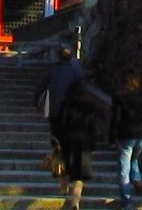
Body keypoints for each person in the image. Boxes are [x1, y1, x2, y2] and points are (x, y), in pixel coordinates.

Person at [109, 72, 142, 209]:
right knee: (134, 159)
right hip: (141, 135)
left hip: (125, 134)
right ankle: (137, 179)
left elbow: (114, 118)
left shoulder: (118, 96)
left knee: (124, 169)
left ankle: (127, 201)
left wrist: (111, 138)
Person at [56, 77, 99, 210]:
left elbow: (60, 125)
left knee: (65, 168)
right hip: (84, 143)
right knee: (79, 176)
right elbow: (92, 128)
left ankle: (64, 190)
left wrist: (57, 142)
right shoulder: (89, 107)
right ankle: (75, 202)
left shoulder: (65, 105)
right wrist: (93, 146)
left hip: (68, 141)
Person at [37, 44, 84, 150]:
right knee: (67, 131)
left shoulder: (52, 69)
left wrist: (37, 101)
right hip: (70, 107)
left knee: (55, 132)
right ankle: (65, 154)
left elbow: (42, 86)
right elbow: (81, 89)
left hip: (54, 106)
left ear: (58, 56)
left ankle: (56, 154)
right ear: (71, 57)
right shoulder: (76, 71)